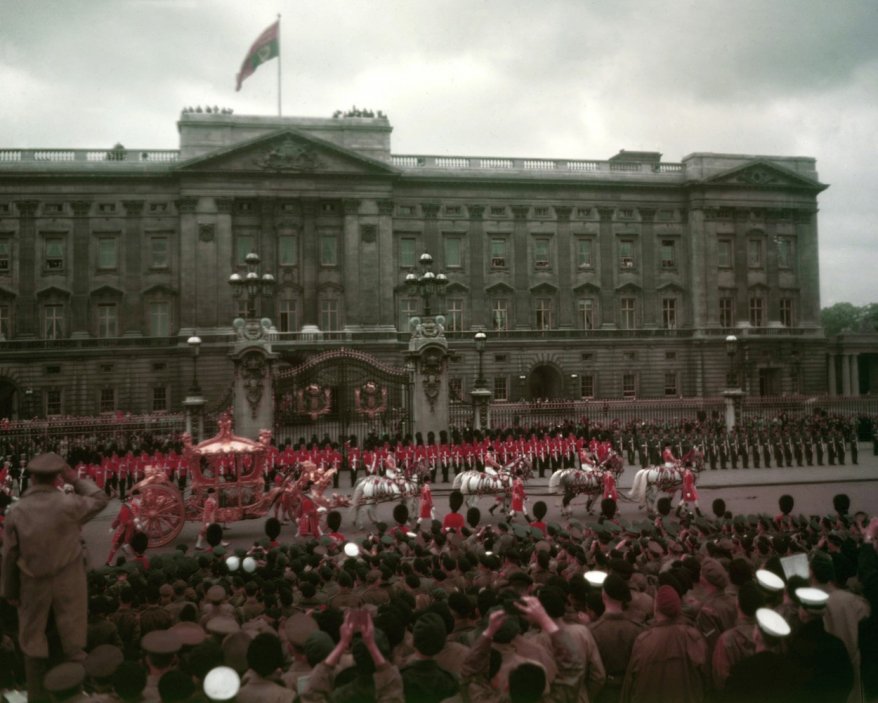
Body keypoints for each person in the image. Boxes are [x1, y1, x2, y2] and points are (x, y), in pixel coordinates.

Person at [1, 452, 110, 702]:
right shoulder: (69, 504)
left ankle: (37, 696)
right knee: (73, 646)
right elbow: (100, 498)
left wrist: (10, 592)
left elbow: (9, 556)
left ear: (32, 478)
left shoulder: (16, 511)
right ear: (56, 478)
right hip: (68, 584)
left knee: (33, 647)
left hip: (33, 585)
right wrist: (74, 477)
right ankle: (76, 694)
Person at [105, 489, 142, 565]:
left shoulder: (127, 506)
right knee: (126, 545)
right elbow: (124, 520)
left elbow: (120, 518)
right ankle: (109, 561)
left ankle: (109, 561)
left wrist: (113, 527)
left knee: (119, 546)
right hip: (126, 530)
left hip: (126, 529)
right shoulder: (128, 507)